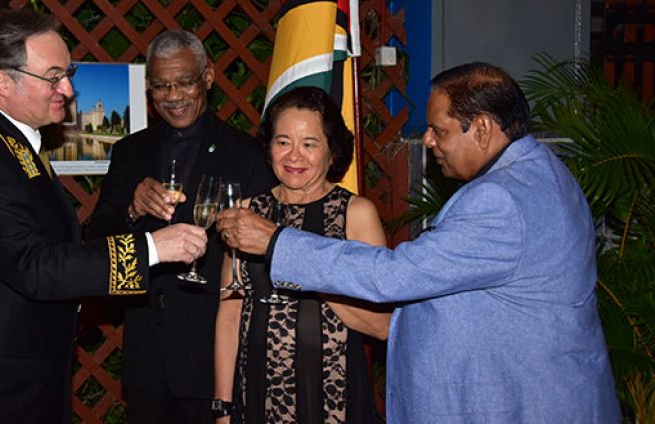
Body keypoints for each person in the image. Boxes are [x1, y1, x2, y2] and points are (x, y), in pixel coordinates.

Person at [216, 62, 621, 423]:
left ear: (481, 129)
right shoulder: (545, 172)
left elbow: (394, 276)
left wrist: (277, 242)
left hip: (519, 401)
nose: (427, 140)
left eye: (439, 129)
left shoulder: (498, 200)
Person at [0, 10, 208, 424]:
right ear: (1, 80)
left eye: (67, 73)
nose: (67, 89)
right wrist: (153, 247)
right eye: (52, 76)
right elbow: (37, 267)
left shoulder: (12, 142)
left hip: (21, 381)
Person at [84, 29, 275, 423]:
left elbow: (265, 256)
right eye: (161, 86)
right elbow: (93, 243)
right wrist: (132, 211)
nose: (173, 96)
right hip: (146, 357)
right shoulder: (128, 152)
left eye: (185, 82)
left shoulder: (246, 154)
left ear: (208, 77)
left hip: (213, 359)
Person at [213, 86, 391, 423]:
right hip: (255, 397)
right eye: (283, 142)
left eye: (309, 144)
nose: (294, 156)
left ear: (332, 151)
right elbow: (230, 313)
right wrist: (222, 407)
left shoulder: (355, 213)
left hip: (332, 397)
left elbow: (381, 324)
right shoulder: (248, 212)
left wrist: (300, 263)